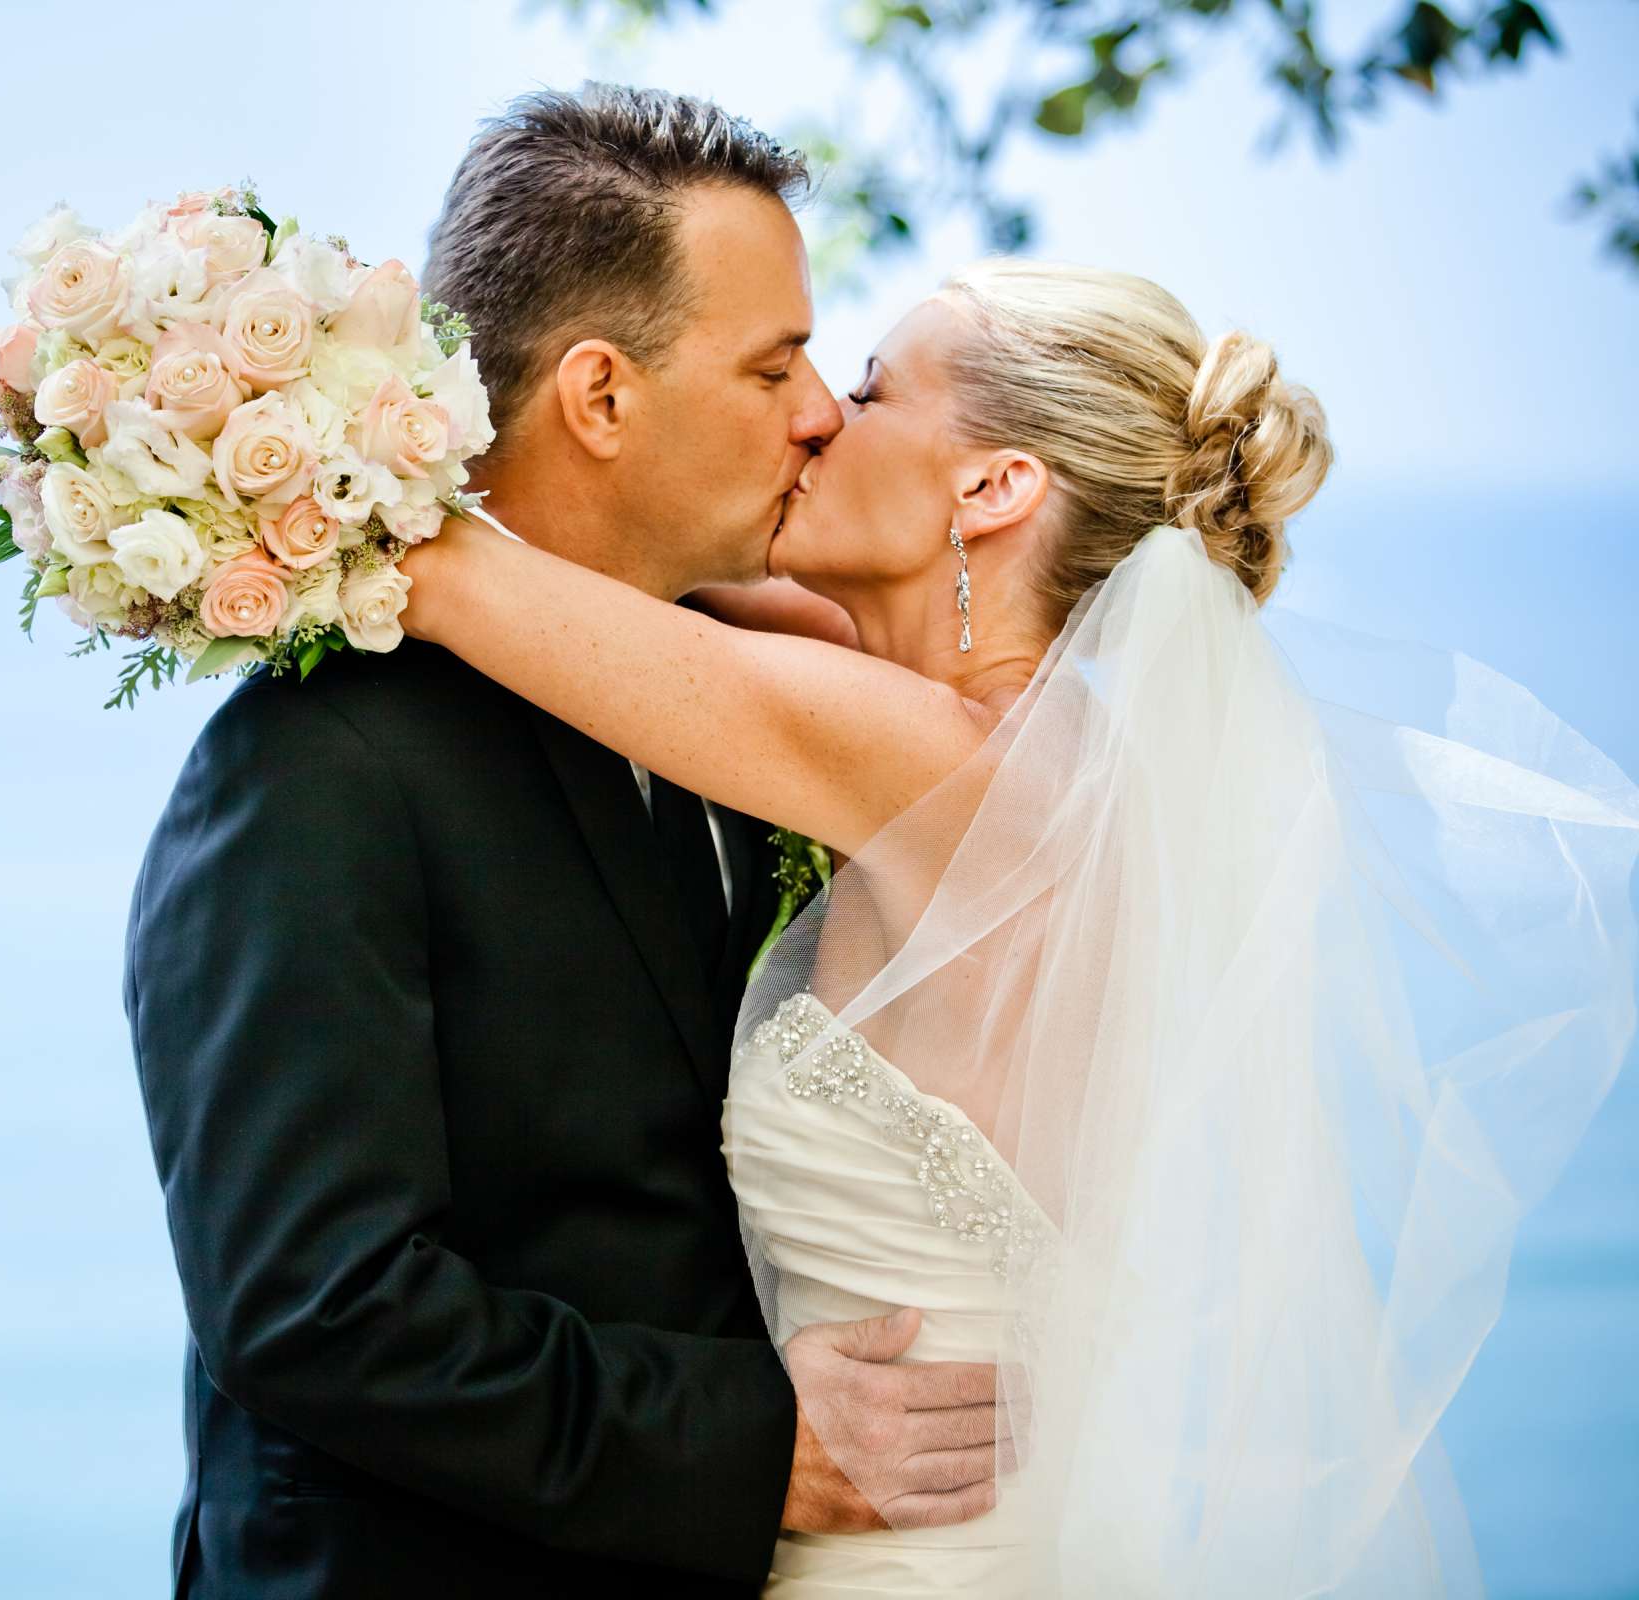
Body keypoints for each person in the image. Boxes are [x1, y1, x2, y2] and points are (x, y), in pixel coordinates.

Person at [395, 253, 1639, 1594]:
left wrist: (259, 406)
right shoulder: (1046, 748)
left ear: (992, 486)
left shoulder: (944, 766)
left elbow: (459, 577)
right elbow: (663, 577)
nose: (818, 415)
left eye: (870, 392)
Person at [122, 86, 1008, 1597]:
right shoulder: (319, 762)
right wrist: (750, 1445)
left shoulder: (748, 718)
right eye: (773, 361)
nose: (815, 414)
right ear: (601, 398)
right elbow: (312, 1303)